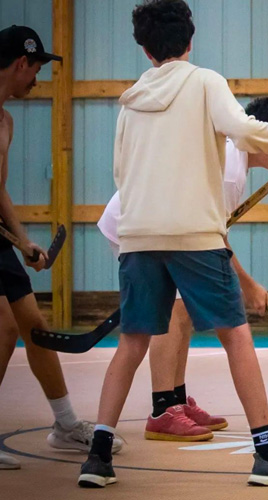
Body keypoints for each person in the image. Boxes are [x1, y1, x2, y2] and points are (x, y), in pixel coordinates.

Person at [78, 1, 268, 488]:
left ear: (146, 50)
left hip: (138, 235)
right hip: (191, 235)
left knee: (132, 342)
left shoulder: (129, 100)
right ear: (189, 42)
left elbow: (120, 172)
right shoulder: (204, 80)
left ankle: (99, 457)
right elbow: (240, 129)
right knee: (236, 335)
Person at [96, 97, 268, 442]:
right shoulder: (229, 170)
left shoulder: (234, 158)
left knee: (180, 309)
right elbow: (215, 239)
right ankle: (163, 409)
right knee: (174, 311)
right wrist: (247, 285)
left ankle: (177, 400)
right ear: (262, 134)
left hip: (158, 225)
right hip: (138, 226)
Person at [0, 25, 122, 471]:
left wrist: (23, 239)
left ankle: (65, 425)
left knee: (31, 326)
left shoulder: (6, 121)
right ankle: (66, 423)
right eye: (36, 69)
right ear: (21, 64)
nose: (37, 79)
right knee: (9, 327)